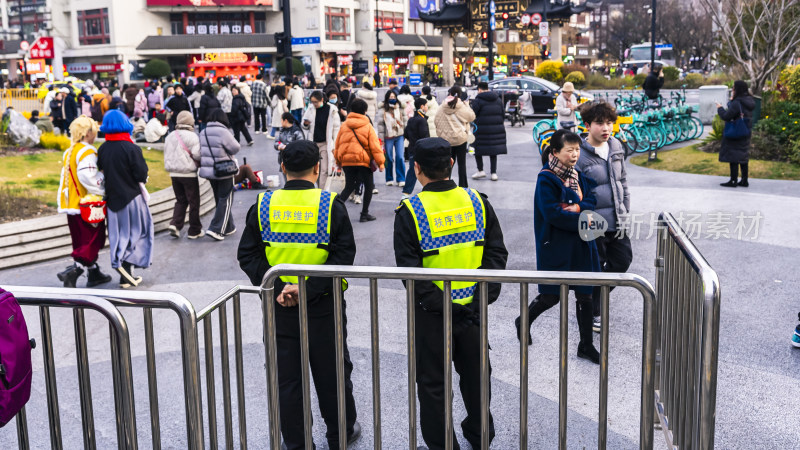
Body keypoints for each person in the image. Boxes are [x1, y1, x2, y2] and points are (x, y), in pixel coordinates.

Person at [237, 140, 362, 450]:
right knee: (333, 372)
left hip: (277, 306)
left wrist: (280, 288)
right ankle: (341, 433)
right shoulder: (330, 204)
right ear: (317, 168)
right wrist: (306, 288)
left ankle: (298, 441)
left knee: (288, 378)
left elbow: (248, 255)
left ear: (283, 168)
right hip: (323, 305)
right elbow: (344, 255)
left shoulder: (263, 205)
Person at [394, 137, 508, 450]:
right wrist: (481, 297)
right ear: (452, 165)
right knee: (476, 378)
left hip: (432, 315)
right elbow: (496, 254)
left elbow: (410, 271)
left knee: (433, 386)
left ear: (417, 169)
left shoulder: (410, 211)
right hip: (473, 311)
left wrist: (443, 304)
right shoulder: (477, 201)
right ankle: (480, 434)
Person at [516, 129, 601, 364]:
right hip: (555, 245)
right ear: (555, 151)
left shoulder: (577, 174)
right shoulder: (546, 178)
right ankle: (523, 321)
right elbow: (552, 214)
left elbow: (592, 199)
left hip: (582, 244)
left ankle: (586, 345)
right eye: (569, 150)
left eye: (577, 150)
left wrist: (577, 207)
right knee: (551, 296)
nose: (575, 155)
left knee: (585, 295)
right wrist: (583, 213)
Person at [574, 101, 632, 334]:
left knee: (622, 262)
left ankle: (592, 298)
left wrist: (625, 208)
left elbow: (623, 181)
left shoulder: (616, 146)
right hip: (593, 222)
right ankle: (593, 310)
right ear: (587, 125)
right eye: (600, 123)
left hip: (617, 218)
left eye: (609, 123)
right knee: (595, 267)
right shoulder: (578, 153)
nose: (606, 128)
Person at [96, 110, 154, 288]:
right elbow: (141, 174)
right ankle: (126, 270)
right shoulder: (131, 148)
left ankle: (120, 264)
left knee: (118, 234)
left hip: (112, 200)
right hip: (132, 199)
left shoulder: (103, 148)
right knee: (138, 233)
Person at [55, 116, 113, 288]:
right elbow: (88, 177)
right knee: (93, 240)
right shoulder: (87, 152)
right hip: (87, 205)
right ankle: (74, 271)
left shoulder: (70, 151)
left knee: (80, 240)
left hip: (72, 204)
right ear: (88, 133)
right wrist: (104, 184)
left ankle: (94, 273)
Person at [333, 98, 385, 222]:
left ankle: (334, 211)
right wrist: (380, 162)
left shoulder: (344, 125)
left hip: (347, 161)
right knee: (368, 186)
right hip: (363, 161)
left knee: (349, 186)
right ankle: (364, 214)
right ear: (365, 111)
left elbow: (338, 143)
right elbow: (375, 146)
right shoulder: (367, 125)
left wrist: (338, 160)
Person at [198, 108, 241, 241]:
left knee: (219, 198)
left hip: (210, 172)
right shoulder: (224, 132)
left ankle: (229, 227)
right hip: (224, 170)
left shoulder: (203, 132)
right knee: (226, 199)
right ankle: (216, 229)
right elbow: (235, 148)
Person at [164, 111, 203, 239]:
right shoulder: (192, 137)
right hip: (188, 174)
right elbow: (197, 154)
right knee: (193, 201)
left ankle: (175, 224)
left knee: (181, 200)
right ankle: (194, 230)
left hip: (174, 174)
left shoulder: (170, 136)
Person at [716, 80, 755, 188]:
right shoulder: (748, 100)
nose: (732, 90)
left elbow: (727, 116)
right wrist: (731, 102)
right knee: (743, 155)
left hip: (736, 132)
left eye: (733, 88)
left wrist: (720, 108)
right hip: (745, 130)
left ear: (737, 89)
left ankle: (733, 180)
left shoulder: (737, 102)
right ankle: (744, 180)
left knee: (733, 155)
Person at [434, 85, 476, 188]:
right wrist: (467, 105)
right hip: (460, 139)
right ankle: (463, 185)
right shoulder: (461, 106)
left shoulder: (442, 106)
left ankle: (446, 185)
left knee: (447, 164)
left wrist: (442, 134)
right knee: (461, 164)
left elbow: (436, 121)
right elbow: (471, 117)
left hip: (446, 141)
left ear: (449, 94)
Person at [302, 90, 341, 190]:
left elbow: (336, 129)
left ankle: (322, 191)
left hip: (325, 144)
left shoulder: (332, 110)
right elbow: (304, 125)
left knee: (324, 169)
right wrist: (305, 124)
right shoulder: (310, 109)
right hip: (313, 143)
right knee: (314, 168)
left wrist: (335, 146)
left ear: (322, 100)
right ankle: (317, 188)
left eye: (316, 102)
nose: (314, 104)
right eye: (312, 102)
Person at [470, 81, 507, 181]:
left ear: (479, 89)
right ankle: (493, 173)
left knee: (477, 149)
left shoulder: (478, 100)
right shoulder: (498, 99)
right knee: (493, 150)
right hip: (495, 128)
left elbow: (473, 115)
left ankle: (480, 170)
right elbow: (503, 114)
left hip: (481, 129)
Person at [376, 90, 407, 187]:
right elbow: (380, 126)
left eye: (394, 97)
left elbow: (405, 121)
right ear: (387, 98)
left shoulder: (400, 108)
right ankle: (389, 178)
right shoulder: (383, 109)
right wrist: (381, 140)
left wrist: (405, 132)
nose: (392, 99)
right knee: (388, 158)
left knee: (400, 157)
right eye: (390, 97)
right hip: (388, 136)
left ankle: (401, 178)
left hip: (399, 135)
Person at [401, 97, 430, 200]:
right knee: (428, 171)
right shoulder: (422, 120)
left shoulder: (411, 119)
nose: (427, 107)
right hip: (422, 150)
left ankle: (406, 193)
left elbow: (406, 134)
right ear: (422, 106)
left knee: (412, 171)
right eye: (426, 105)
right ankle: (430, 191)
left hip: (412, 148)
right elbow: (424, 136)